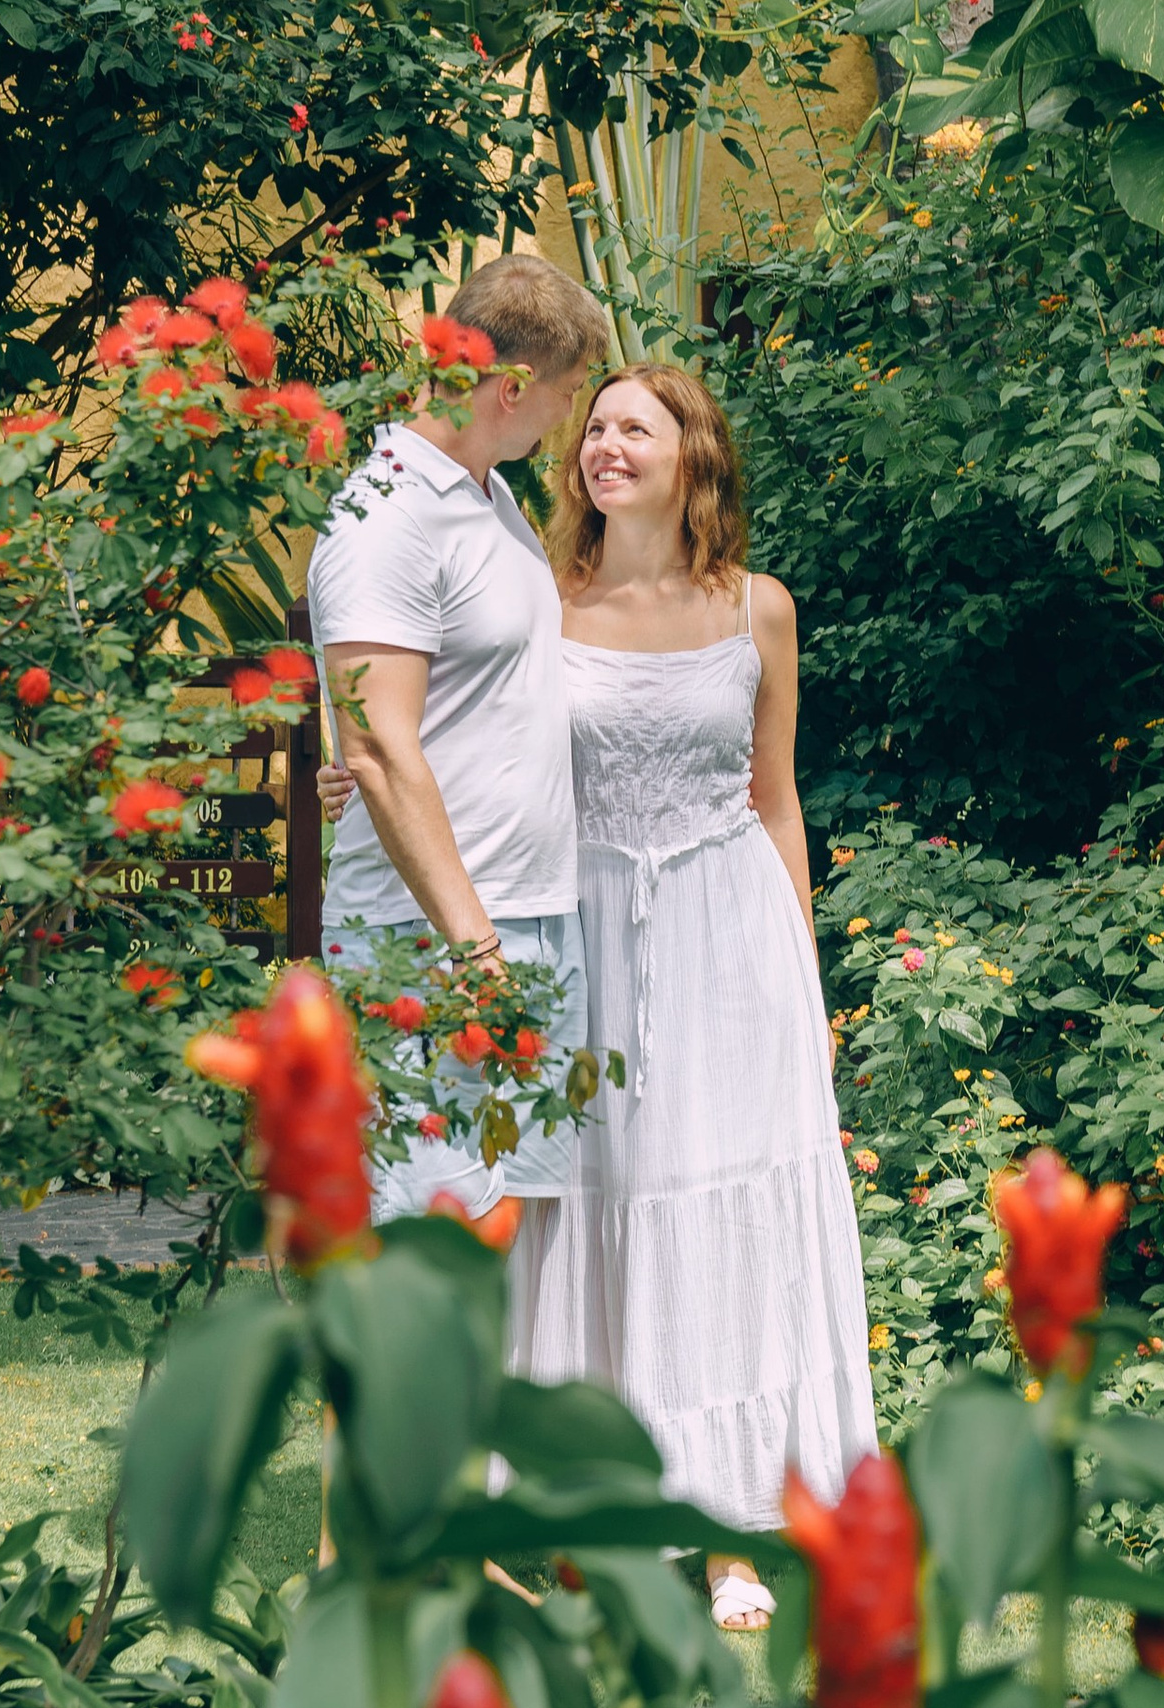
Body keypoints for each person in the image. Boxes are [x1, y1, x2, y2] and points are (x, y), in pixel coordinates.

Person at [321, 364, 878, 1630]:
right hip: (579, 931)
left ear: (697, 456)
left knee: (724, 1213)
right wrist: (352, 780)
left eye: (638, 427)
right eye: (596, 427)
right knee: (590, 1209)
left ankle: (736, 1528)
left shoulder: (759, 610)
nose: (604, 447)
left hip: (728, 934)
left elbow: (775, 799)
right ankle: (582, 1506)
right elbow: (438, 732)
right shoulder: (541, 602)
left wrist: (804, 971)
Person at [307, 252, 611, 1385]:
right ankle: (384, 1543)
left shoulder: (486, 502)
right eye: (571, 392)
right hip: (435, 937)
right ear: (515, 386)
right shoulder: (388, 514)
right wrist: (471, 939)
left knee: (486, 1239)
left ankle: (458, 1532)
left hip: (516, 916)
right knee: (423, 1248)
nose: (570, 419)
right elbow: (382, 744)